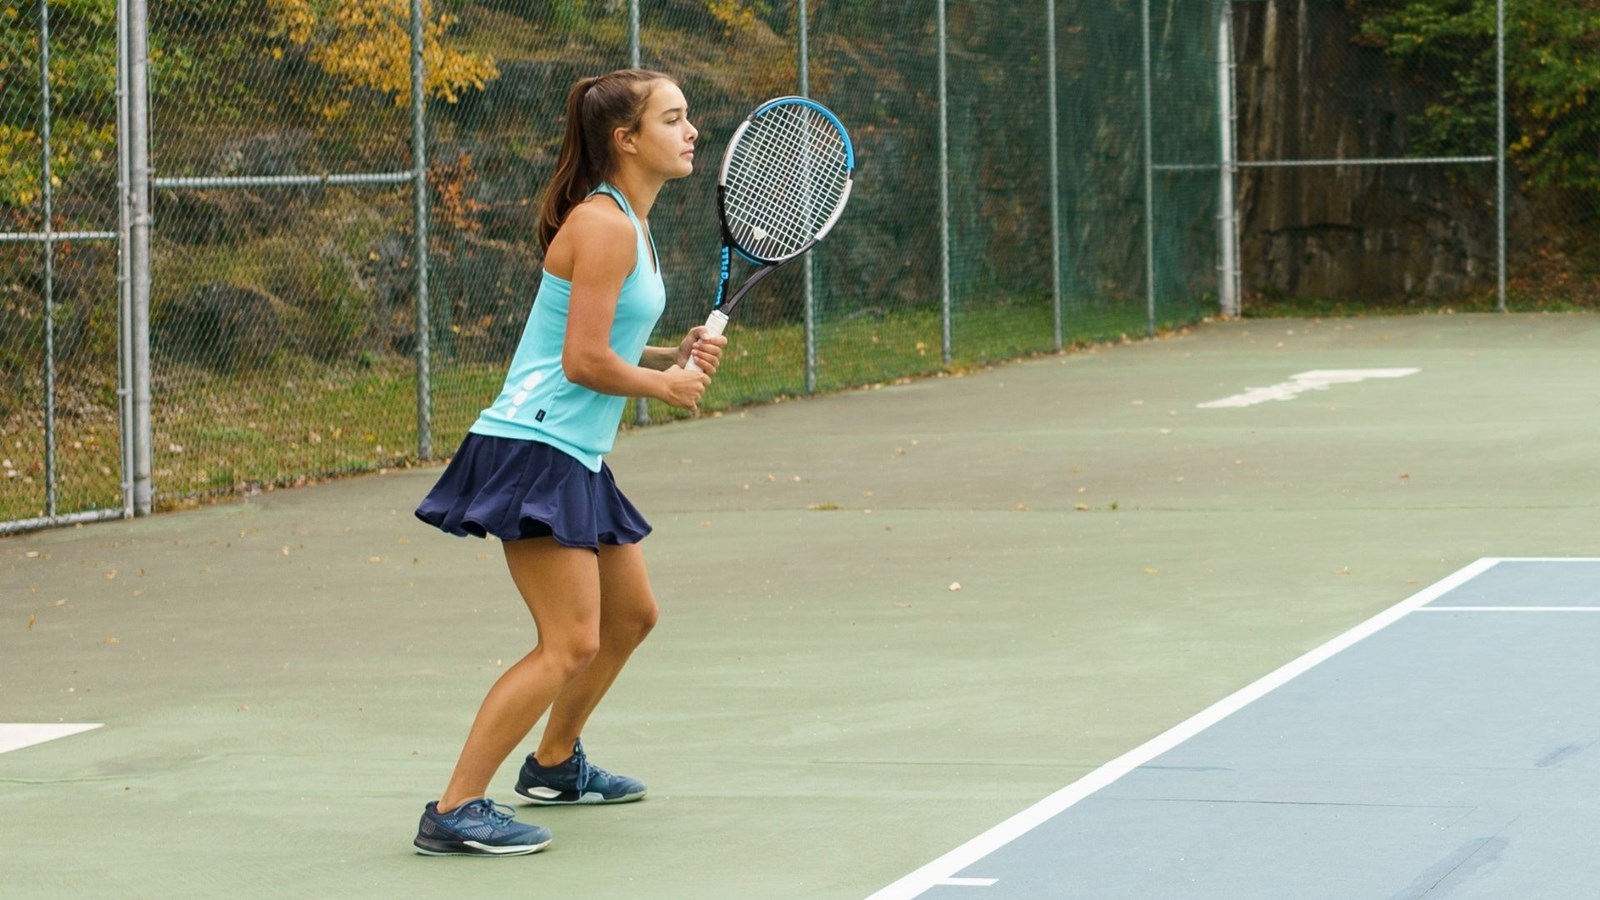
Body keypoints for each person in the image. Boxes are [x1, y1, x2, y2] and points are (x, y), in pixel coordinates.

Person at [411, 68, 722, 857]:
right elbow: (581, 361)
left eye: (687, 117)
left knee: (631, 616)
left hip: (570, 450)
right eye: (673, 119)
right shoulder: (605, 224)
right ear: (626, 140)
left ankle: (553, 763)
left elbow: (592, 336)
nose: (690, 132)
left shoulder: (628, 221)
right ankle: (454, 809)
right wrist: (664, 385)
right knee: (570, 642)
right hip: (533, 447)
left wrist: (665, 353)